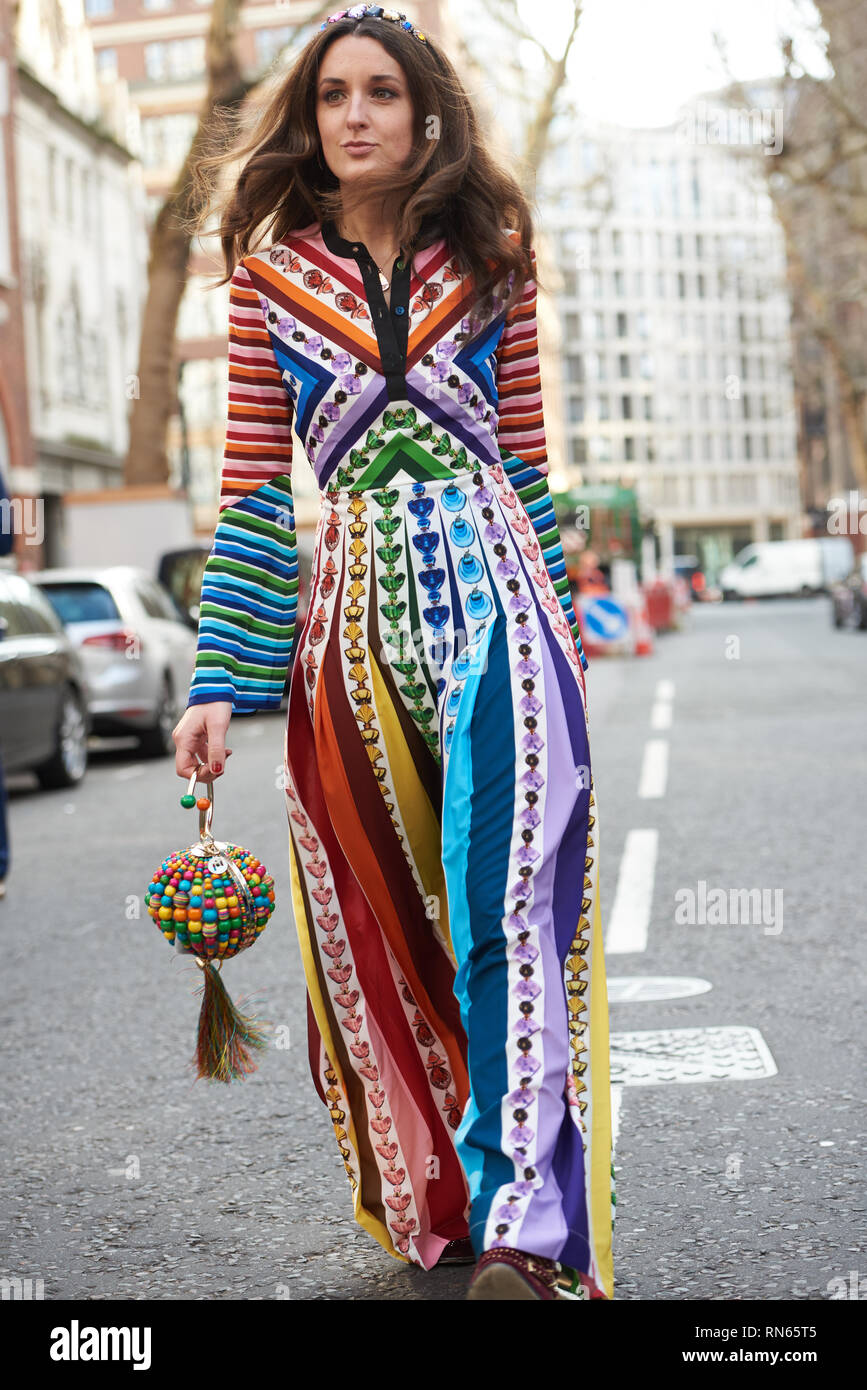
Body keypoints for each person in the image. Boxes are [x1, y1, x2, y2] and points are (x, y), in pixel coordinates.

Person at [173, 3, 614, 1301]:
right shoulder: (267, 286)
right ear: (310, 122)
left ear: (426, 113)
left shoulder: (495, 262)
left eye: (379, 90)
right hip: (349, 626)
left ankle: (527, 1230)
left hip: (499, 608)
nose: (353, 112)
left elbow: (530, 466)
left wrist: (572, 642)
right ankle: (451, 1194)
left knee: (506, 907)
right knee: (384, 923)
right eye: (331, 96)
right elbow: (255, 493)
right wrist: (214, 679)